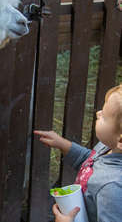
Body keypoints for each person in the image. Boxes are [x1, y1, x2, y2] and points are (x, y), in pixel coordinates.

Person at [34, 84, 122, 222]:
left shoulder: (112, 188)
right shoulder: (108, 147)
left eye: (104, 117)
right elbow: (91, 161)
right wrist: (62, 144)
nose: (98, 113)